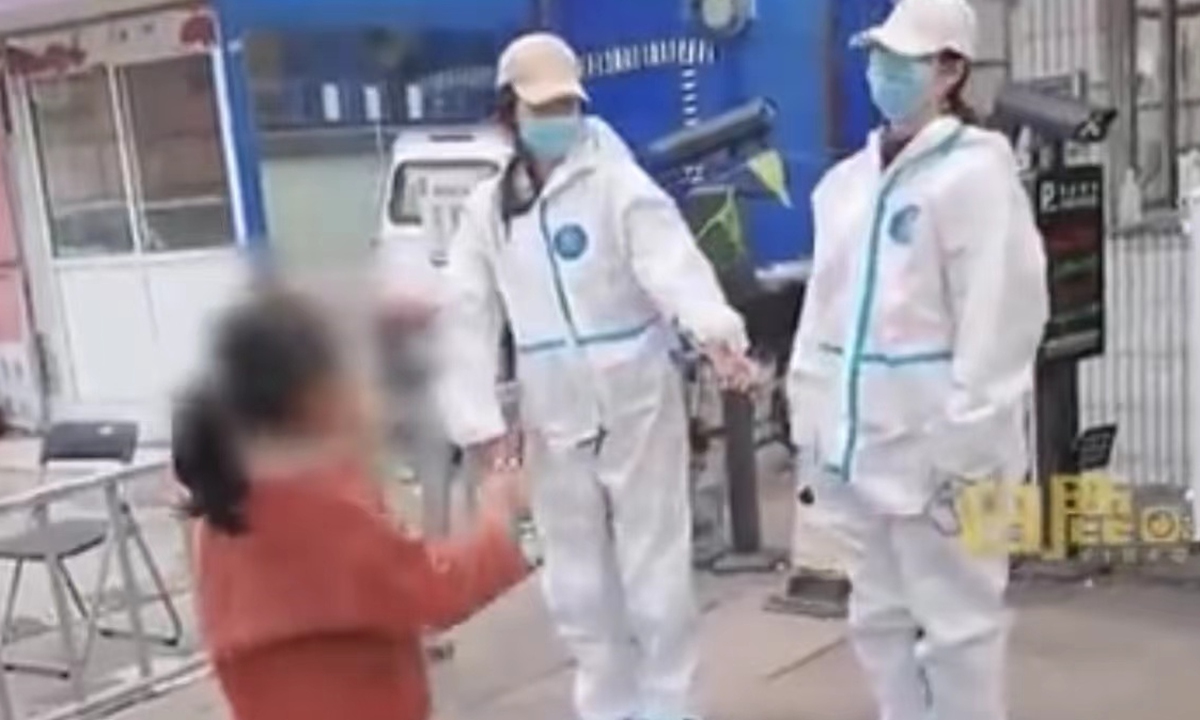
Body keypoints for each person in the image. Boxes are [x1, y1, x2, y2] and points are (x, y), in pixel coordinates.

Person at [433, 31, 756, 720]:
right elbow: (465, 315)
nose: (557, 120)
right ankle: (607, 706)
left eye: (565, 106)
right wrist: (480, 423)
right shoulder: (488, 212)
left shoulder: (617, 185)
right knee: (577, 583)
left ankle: (670, 706)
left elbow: (670, 264)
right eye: (540, 108)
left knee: (655, 574)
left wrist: (716, 333)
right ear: (508, 114)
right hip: (554, 410)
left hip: (636, 398)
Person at [786, 1, 1049, 720]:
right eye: (880, 57)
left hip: (948, 454)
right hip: (862, 451)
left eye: (905, 61)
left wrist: (965, 445)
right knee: (878, 619)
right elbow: (823, 315)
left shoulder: (978, 178)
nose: (884, 73)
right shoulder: (845, 187)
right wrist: (811, 419)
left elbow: (1001, 321)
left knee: (962, 627)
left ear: (950, 72)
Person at [173, 285, 533, 720]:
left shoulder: (229, 505)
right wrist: (501, 515)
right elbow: (437, 589)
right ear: (312, 401)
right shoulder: (314, 514)